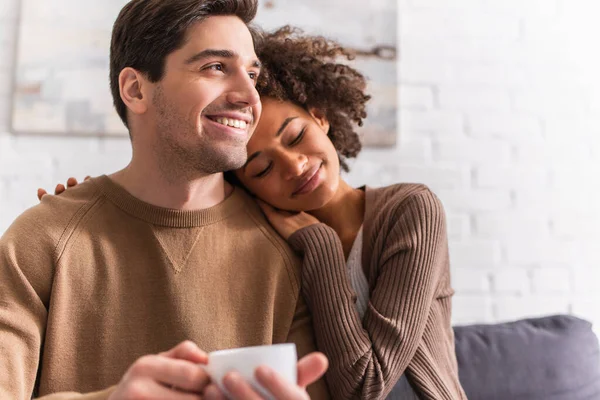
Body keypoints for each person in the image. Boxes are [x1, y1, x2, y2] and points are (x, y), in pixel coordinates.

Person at [43, 26, 468, 400]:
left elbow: (365, 386)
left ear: (320, 118)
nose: (295, 166)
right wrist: (93, 209)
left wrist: (318, 247)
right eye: (262, 168)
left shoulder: (409, 210)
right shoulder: (266, 233)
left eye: (296, 135)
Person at [0, 1, 331, 399]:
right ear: (136, 89)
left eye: (252, 73)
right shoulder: (40, 241)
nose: (249, 95)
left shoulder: (288, 249)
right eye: (216, 67)